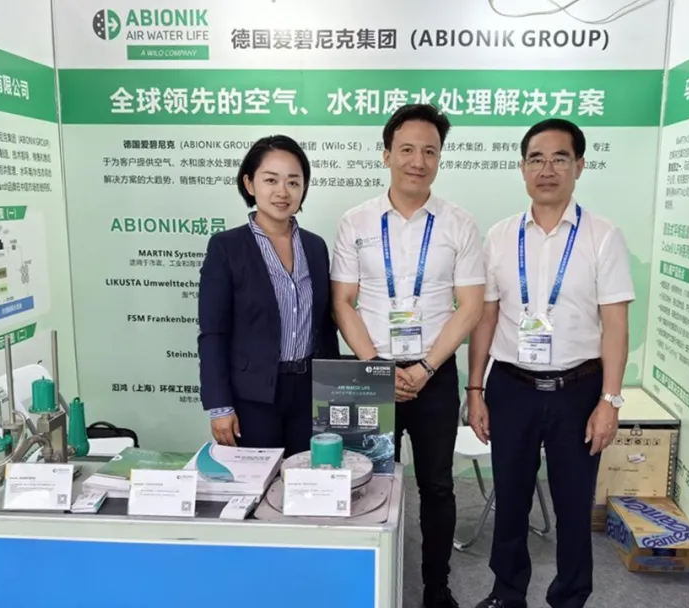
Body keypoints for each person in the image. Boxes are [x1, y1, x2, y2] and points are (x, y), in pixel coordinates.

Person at [467, 119, 634, 608]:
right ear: (522, 168)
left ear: (579, 166)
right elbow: (486, 318)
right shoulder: (500, 236)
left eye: (559, 158)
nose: (547, 169)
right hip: (511, 386)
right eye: (536, 159)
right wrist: (474, 390)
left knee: (573, 505)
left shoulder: (603, 236)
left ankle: (570, 597)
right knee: (510, 498)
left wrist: (610, 400)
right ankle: (507, 592)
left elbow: (616, 326)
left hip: (578, 390)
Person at [331, 104, 485, 608]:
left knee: (437, 486)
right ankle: (370, 580)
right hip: (368, 371)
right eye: (407, 150)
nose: (418, 161)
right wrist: (377, 369)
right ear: (387, 155)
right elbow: (342, 301)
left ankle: (436, 586)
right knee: (366, 479)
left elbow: (470, 306)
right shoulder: (355, 221)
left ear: (439, 158)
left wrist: (425, 368)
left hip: (433, 373)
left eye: (429, 151)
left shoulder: (459, 224)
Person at [197, 134, 340, 457]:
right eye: (271, 180)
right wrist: (220, 406)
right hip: (253, 396)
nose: (282, 192)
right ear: (250, 184)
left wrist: (332, 391)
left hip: (309, 392)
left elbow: (325, 326)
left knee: (307, 476)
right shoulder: (227, 247)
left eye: (293, 182)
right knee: (259, 480)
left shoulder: (315, 246)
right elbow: (213, 333)